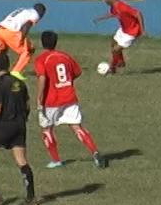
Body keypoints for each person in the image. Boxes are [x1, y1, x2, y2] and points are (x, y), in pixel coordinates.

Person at [0, 54, 41, 205]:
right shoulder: (20, 83)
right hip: (19, 125)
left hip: (4, 126)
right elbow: (27, 106)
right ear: (9, 64)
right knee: (21, 161)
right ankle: (31, 197)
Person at [34, 30, 107, 169]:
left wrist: (39, 99)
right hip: (69, 97)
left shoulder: (41, 59)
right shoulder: (65, 56)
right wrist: (66, 83)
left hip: (51, 101)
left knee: (47, 129)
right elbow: (77, 72)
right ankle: (95, 152)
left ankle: (56, 160)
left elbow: (42, 78)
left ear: (42, 43)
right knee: (77, 127)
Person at [0, 3, 46, 80]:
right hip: (10, 31)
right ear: (41, 12)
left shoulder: (24, 10)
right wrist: (22, 40)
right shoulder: (35, 14)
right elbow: (26, 27)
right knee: (28, 50)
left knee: (1, 51)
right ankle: (16, 71)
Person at [93, 0, 147, 74]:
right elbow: (112, 14)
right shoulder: (113, 7)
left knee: (115, 50)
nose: (104, 1)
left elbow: (138, 14)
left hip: (132, 31)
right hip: (124, 29)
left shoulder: (122, 6)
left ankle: (112, 68)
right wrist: (100, 18)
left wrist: (143, 30)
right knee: (113, 43)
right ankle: (121, 61)